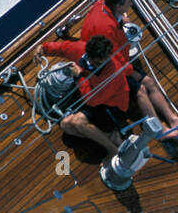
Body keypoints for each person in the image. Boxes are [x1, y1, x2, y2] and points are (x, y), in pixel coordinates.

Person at [79, 0, 178, 139]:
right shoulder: (106, 29)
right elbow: (113, 57)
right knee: (140, 89)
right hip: (103, 66)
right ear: (118, 5)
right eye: (128, 2)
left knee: (150, 82)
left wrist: (120, 21)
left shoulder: (102, 5)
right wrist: (131, 72)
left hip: (109, 56)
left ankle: (173, 119)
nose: (131, 4)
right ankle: (159, 131)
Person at [41, 35, 141, 164]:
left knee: (77, 123)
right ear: (89, 54)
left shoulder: (113, 72)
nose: (103, 64)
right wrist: (43, 48)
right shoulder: (81, 49)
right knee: (66, 125)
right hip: (92, 98)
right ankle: (109, 136)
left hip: (113, 108)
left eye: (105, 60)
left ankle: (112, 149)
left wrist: (79, 77)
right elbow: (62, 48)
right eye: (98, 62)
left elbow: (92, 100)